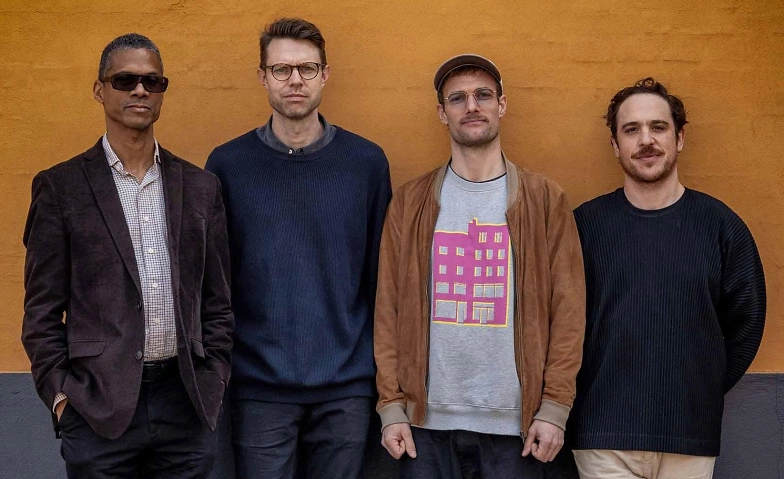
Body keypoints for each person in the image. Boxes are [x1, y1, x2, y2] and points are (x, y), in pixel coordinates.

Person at [21, 33, 234, 479]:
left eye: (152, 81)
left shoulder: (200, 187)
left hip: (185, 403)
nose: (140, 90)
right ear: (100, 90)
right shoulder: (61, 188)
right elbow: (41, 311)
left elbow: (217, 301)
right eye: (125, 80)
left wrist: (213, 376)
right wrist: (62, 398)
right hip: (97, 407)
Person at [373, 54, 586, 478]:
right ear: (442, 113)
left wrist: (555, 407)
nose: (472, 106)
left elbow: (569, 311)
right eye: (458, 98)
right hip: (424, 426)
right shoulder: (411, 202)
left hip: (516, 427)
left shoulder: (544, 200)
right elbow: (388, 309)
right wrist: (391, 406)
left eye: (483, 95)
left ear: (501, 105)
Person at [205, 18, 392, 479]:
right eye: (282, 69)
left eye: (307, 69)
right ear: (263, 76)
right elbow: (216, 283)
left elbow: (381, 280)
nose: (295, 80)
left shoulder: (366, 163)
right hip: (259, 388)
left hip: (346, 387)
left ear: (325, 75)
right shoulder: (227, 165)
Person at [569, 78, 766, 479]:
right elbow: (557, 322)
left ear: (680, 138)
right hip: (602, 436)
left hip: (689, 438)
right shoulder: (584, 226)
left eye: (658, 127)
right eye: (631, 130)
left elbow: (746, 324)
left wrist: (699, 387)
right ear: (615, 145)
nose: (646, 140)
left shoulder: (721, 227)